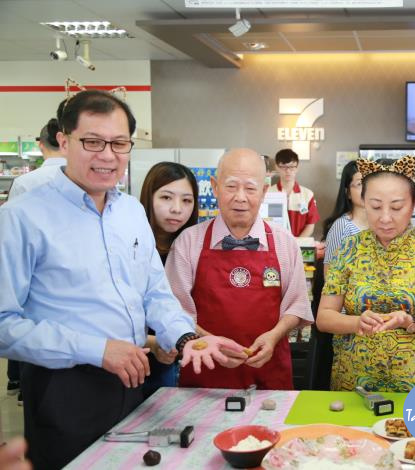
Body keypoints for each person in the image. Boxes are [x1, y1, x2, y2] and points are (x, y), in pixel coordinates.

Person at [0, 90, 242, 470]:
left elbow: (155, 293)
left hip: (133, 379)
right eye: (92, 142)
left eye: (119, 143)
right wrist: (97, 349)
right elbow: (4, 326)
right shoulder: (22, 218)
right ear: (64, 141)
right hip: (63, 388)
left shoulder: (129, 212)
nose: (108, 155)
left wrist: (185, 338)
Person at [166, 148, 314, 390]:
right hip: (205, 375)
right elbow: (175, 311)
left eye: (250, 188)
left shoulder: (285, 243)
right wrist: (208, 340)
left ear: (264, 191)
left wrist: (275, 335)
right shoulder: (188, 242)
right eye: (231, 186)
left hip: (270, 376)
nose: (240, 197)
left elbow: (297, 305)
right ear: (215, 187)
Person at [317, 156, 415, 392]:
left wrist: (409, 320)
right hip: (356, 381)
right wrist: (356, 322)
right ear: (362, 202)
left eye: (396, 207)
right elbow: (324, 317)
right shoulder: (349, 248)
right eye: (375, 206)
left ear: (413, 204)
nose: (384, 217)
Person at [6, 118, 67, 403]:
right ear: (64, 140)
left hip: (34, 291)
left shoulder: (24, 183)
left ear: (41, 145)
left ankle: (18, 384)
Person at [139, 162, 199, 397]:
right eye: (166, 197)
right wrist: (153, 343)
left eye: (186, 200)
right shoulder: (132, 245)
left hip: (183, 357)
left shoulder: (192, 246)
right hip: (135, 360)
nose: (177, 209)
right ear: (148, 197)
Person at [322, 160, 368, 276]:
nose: (366, 189)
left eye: (368, 182)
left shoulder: (381, 225)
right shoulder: (342, 227)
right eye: (359, 184)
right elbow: (330, 277)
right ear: (348, 193)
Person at [8, 117, 65, 199]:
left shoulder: (22, 183)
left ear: (40, 145)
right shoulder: (84, 180)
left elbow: (11, 211)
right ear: (65, 143)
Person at [268, 148, 319, 238]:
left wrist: (296, 243)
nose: (288, 171)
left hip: (299, 245)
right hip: (275, 244)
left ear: (297, 168)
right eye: (283, 167)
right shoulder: (268, 193)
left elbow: (310, 225)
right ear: (276, 167)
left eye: (291, 167)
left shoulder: (307, 194)